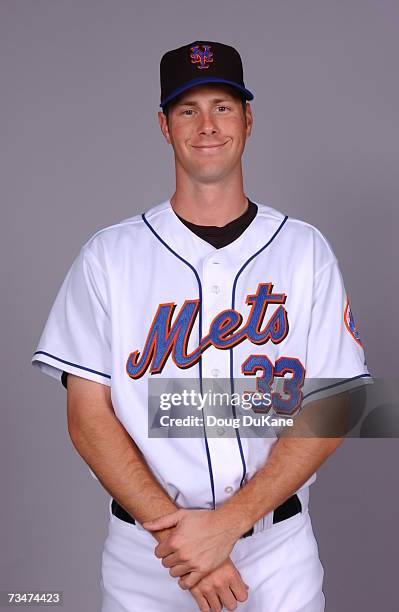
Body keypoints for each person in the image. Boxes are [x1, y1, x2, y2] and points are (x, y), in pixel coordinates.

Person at [32, 40, 371, 611]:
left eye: (222, 105)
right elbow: (87, 417)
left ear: (247, 119)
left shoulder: (303, 249)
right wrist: (181, 541)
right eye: (188, 109)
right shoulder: (108, 257)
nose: (207, 124)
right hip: (148, 559)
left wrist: (227, 525)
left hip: (278, 553)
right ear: (164, 126)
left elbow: (333, 405)